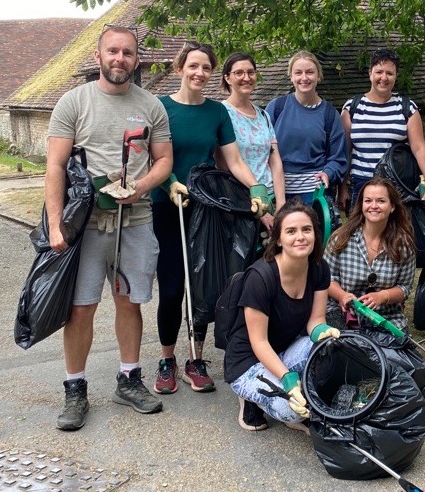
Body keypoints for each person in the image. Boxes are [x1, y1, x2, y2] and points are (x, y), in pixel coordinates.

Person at [45, 25, 172, 430]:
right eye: (113, 51)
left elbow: (163, 161)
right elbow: (54, 167)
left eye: (128, 53)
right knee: (80, 308)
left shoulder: (151, 105)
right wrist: (54, 227)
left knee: (129, 301)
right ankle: (75, 389)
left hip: (135, 221)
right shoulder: (73, 102)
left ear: (137, 60)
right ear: (98, 56)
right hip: (84, 224)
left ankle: (129, 379)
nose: (120, 59)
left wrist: (140, 188)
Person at [151, 42, 269, 396]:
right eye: (193, 66)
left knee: (203, 285)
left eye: (205, 68)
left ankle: (196, 359)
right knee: (172, 287)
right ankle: (167, 360)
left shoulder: (217, 112)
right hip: (167, 206)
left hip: (205, 208)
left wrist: (257, 188)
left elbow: (233, 161)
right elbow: (153, 156)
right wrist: (171, 182)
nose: (199, 73)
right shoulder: (161, 108)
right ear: (180, 68)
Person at [223, 199, 340, 432]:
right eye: (291, 231)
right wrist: (287, 379)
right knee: (290, 411)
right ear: (278, 239)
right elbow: (259, 342)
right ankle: (251, 399)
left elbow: (316, 320)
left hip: (283, 350)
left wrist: (322, 332)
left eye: (306, 230)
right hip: (248, 361)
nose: (300, 237)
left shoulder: (319, 268)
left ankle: (290, 388)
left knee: (329, 348)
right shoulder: (260, 277)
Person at [338, 48, 425, 210]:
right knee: (361, 234)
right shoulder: (352, 107)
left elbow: (419, 149)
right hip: (361, 184)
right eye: (379, 72)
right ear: (370, 73)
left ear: (396, 76)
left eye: (389, 73)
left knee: (396, 234)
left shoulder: (407, 108)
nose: (383, 78)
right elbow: (345, 152)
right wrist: (342, 188)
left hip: (396, 185)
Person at [325, 177, 417, 330]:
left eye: (381, 201)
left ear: (392, 206)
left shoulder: (404, 244)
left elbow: (404, 287)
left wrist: (383, 296)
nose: (373, 206)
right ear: (361, 205)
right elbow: (327, 279)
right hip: (343, 315)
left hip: (386, 317)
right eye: (368, 201)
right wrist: (342, 295)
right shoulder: (340, 238)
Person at [266, 51, 348, 203]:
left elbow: (338, 157)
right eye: (298, 73)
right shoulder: (276, 108)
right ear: (291, 76)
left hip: (315, 195)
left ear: (318, 76)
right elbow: (260, 149)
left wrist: (328, 173)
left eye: (310, 72)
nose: (304, 78)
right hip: (278, 193)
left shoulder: (330, 115)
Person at [220, 52, 286, 219]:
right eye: (239, 73)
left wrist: (281, 203)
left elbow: (274, 160)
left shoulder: (263, 115)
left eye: (251, 72)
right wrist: (259, 210)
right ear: (227, 78)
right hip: (242, 202)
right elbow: (225, 166)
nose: (246, 77)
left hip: (270, 197)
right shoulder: (222, 114)